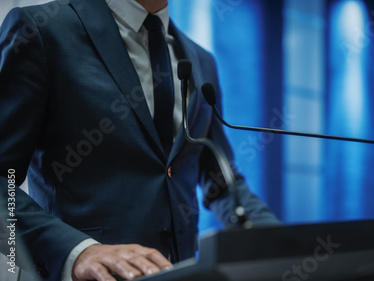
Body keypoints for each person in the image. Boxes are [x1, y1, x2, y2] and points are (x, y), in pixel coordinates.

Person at [0, 0, 280, 280]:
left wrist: (285, 243)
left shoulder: (201, 60)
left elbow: (221, 181)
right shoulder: (41, 28)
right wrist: (77, 251)